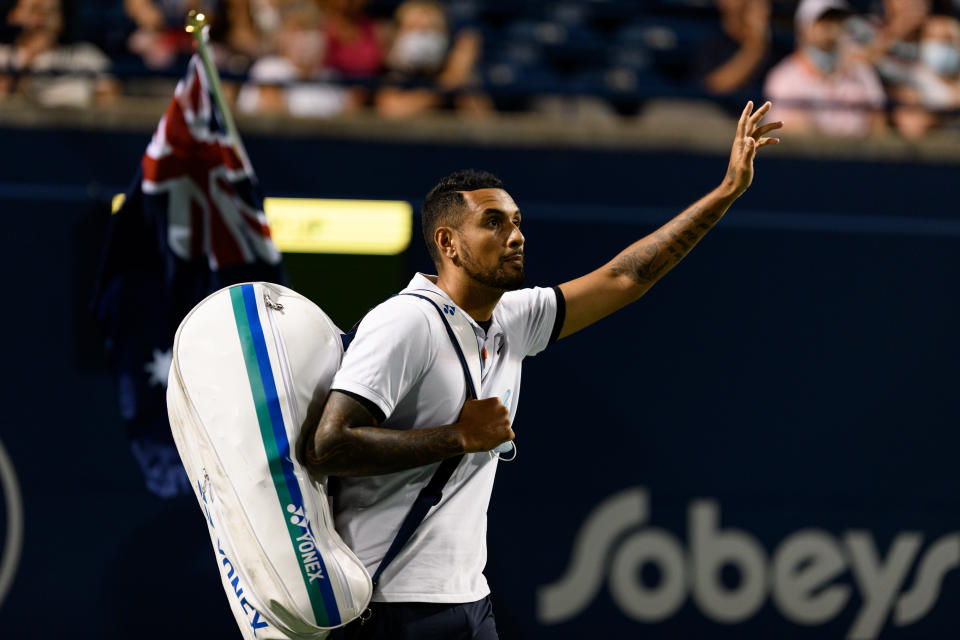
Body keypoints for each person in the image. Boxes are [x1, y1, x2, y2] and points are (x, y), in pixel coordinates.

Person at [297, 100, 782, 639]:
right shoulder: (404, 323)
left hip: (467, 597)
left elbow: (626, 277)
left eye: (517, 222)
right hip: (388, 603)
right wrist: (455, 437)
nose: (516, 235)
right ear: (447, 243)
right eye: (493, 222)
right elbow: (327, 446)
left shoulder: (513, 318)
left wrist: (725, 193)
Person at [764, 0, 886, 137]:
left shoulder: (862, 72)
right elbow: (795, 133)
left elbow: (878, 125)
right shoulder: (784, 78)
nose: (832, 29)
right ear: (804, 27)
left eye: (838, 21)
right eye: (823, 21)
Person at [375, 0, 491, 119]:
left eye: (431, 28)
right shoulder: (394, 73)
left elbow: (482, 121)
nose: (422, 35)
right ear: (398, 34)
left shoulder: (458, 75)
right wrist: (449, 83)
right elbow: (392, 109)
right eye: (413, 27)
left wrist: (461, 71)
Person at [890, 13, 960, 139]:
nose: (938, 44)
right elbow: (910, 128)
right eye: (932, 37)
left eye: (946, 39)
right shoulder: (910, 76)